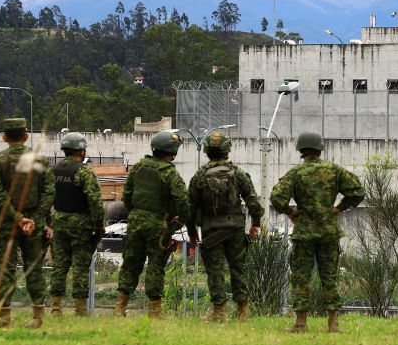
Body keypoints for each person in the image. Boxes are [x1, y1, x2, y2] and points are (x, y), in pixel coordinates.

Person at [270, 131, 364, 333]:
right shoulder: (334, 171)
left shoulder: (296, 174)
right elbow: (358, 191)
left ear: (301, 150)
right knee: (329, 276)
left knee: (301, 277)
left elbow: (277, 198)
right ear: (319, 149)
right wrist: (339, 208)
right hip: (329, 232)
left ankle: (301, 323)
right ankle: (333, 323)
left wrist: (290, 211)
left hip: (304, 233)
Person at [187, 132, 263, 322]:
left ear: (206, 152)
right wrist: (255, 224)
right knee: (239, 268)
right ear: (227, 151)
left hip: (210, 230)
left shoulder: (199, 176)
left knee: (216, 271)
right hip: (235, 229)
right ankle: (243, 311)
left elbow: (189, 208)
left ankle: (219, 312)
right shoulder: (238, 174)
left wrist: (192, 233)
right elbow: (253, 201)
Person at [0, 117, 55, 328]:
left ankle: (4, 317)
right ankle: (37, 316)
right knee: (33, 268)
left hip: (7, 223)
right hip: (33, 224)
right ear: (26, 136)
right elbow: (49, 191)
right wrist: (35, 219)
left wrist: (16, 217)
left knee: (4, 269)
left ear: (4, 137)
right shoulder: (39, 161)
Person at [114, 130, 189, 318]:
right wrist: (180, 220)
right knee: (155, 266)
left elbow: (127, 197)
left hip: (135, 222)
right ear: (171, 152)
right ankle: (155, 311)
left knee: (130, 263)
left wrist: (136, 213)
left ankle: (119, 307)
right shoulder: (169, 173)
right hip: (158, 224)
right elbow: (182, 201)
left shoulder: (138, 167)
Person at [48, 133, 105, 317]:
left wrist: (50, 221)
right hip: (81, 225)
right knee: (80, 266)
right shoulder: (84, 171)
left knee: (59, 266)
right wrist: (98, 226)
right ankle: (80, 309)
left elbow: (45, 199)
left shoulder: (54, 170)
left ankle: (56, 308)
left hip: (59, 223)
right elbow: (95, 201)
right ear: (82, 150)